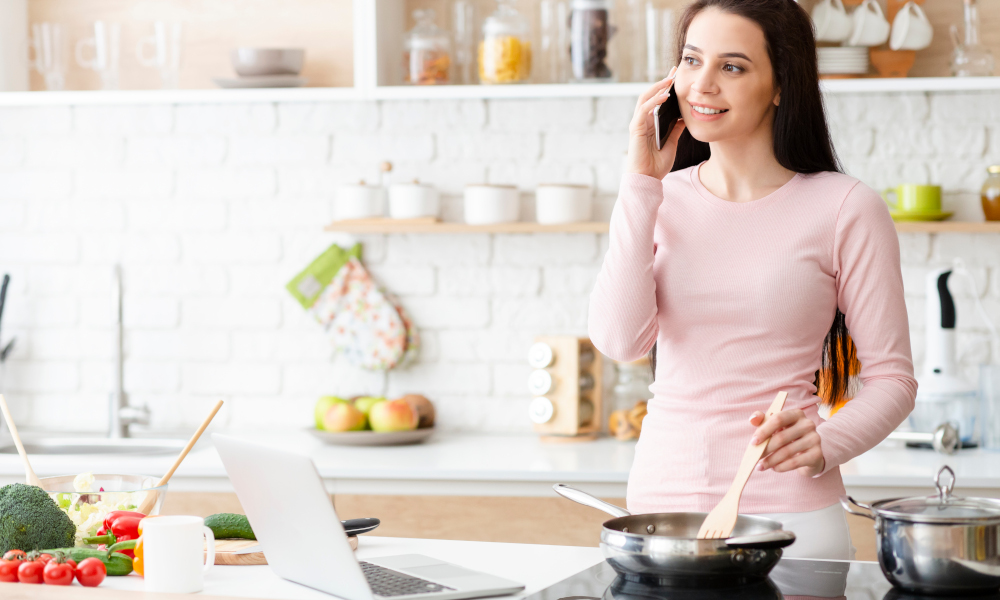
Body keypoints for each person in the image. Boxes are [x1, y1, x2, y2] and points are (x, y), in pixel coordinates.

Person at [588, 0, 917, 560]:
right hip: (659, 512)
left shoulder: (845, 208)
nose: (702, 85)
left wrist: (825, 441)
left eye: (732, 67)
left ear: (782, 85)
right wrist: (640, 182)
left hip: (791, 519)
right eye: (692, 60)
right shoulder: (658, 197)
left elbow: (894, 379)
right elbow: (620, 342)